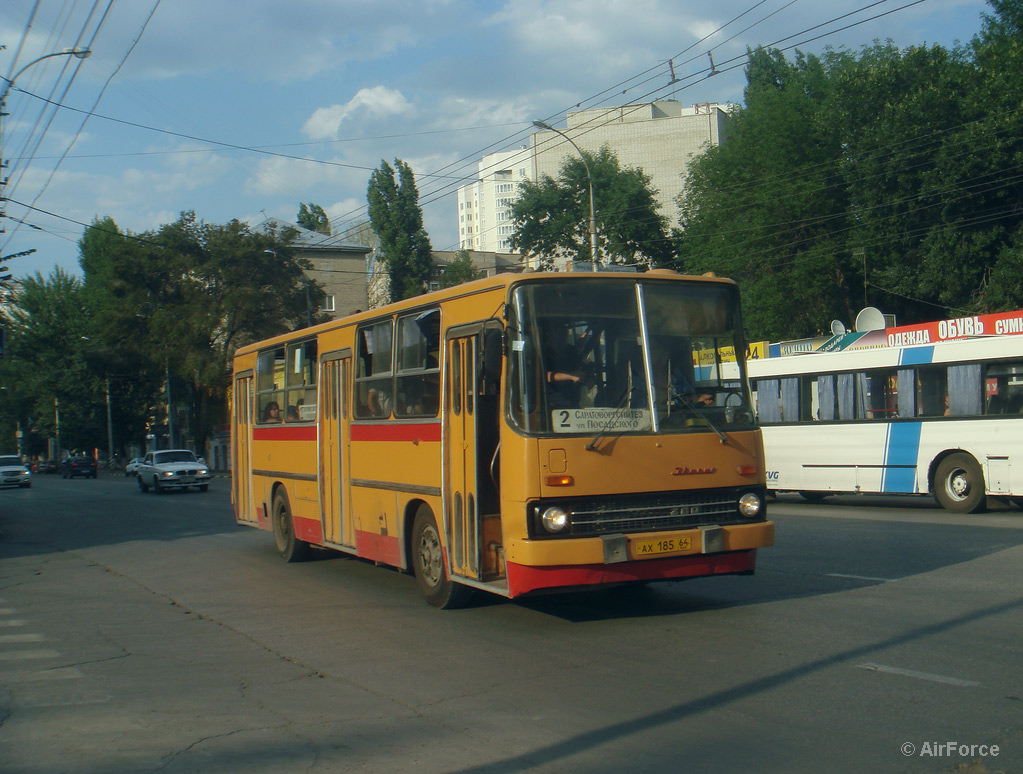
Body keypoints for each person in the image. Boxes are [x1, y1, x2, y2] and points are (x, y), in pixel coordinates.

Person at [541, 324, 591, 408]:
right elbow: (542, 376)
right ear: (549, 336)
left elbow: (580, 366)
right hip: (549, 407)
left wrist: (587, 377)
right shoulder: (542, 353)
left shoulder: (571, 351)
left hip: (573, 405)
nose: (561, 338)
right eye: (557, 334)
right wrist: (571, 376)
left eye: (563, 334)